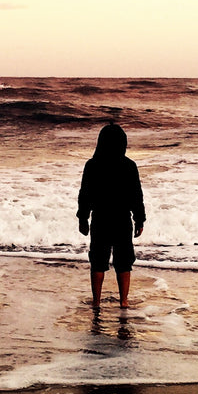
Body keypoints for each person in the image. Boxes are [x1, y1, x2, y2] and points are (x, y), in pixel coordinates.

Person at [77, 121, 145, 309]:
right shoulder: (129, 166)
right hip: (122, 219)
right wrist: (139, 219)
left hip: (100, 219)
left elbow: (85, 194)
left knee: (98, 262)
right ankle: (123, 301)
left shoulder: (92, 165)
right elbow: (136, 196)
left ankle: (96, 302)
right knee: (124, 262)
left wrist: (83, 218)